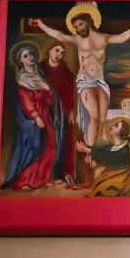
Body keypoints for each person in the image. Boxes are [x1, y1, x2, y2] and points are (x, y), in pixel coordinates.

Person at [31, 2, 130, 153]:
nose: (78, 28)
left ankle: (94, 151)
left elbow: (122, 37)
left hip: (100, 81)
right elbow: (58, 35)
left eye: (80, 25)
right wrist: (41, 25)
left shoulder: (104, 38)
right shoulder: (78, 39)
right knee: (94, 115)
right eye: (76, 27)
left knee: (102, 118)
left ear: (89, 22)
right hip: (84, 80)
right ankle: (88, 150)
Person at [2, 43, 65, 191]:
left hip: (45, 114)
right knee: (35, 147)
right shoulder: (22, 78)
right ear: (21, 61)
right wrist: (36, 117)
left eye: (30, 54)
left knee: (50, 145)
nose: (29, 57)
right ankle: (25, 181)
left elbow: (49, 99)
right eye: (25, 56)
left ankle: (43, 178)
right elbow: (26, 100)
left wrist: (48, 89)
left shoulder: (39, 75)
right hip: (31, 118)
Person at [42, 42, 82, 187]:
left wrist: (71, 111)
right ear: (49, 50)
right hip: (44, 110)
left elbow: (70, 95)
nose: (59, 54)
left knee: (60, 142)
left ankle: (57, 174)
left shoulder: (66, 72)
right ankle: (43, 176)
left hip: (61, 113)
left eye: (62, 53)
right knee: (45, 142)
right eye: (57, 50)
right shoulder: (40, 69)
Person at [89, 118, 130, 196]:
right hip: (110, 175)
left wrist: (88, 150)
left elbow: (113, 157)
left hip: (124, 177)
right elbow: (105, 154)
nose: (111, 127)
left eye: (116, 126)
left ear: (120, 131)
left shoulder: (127, 148)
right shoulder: (111, 147)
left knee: (103, 189)